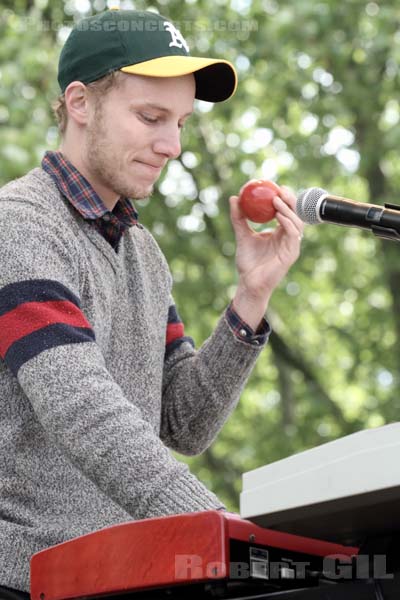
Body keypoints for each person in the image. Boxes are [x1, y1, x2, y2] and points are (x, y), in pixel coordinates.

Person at [0, 8, 304, 596]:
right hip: (26, 579)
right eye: (151, 117)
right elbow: (83, 411)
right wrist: (222, 533)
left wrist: (252, 295)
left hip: (122, 575)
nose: (173, 146)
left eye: (182, 123)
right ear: (81, 103)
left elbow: (182, 422)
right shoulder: (19, 227)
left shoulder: (142, 252)